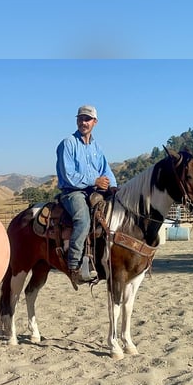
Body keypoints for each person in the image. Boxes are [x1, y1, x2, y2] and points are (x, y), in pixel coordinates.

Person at [56, 104, 117, 285]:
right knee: (83, 220)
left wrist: (113, 186)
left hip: (94, 191)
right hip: (72, 192)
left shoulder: (97, 147)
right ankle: (74, 266)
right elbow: (69, 175)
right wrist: (94, 181)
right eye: (81, 118)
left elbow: (106, 170)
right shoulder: (68, 144)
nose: (84, 122)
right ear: (77, 120)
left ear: (95, 122)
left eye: (87, 119)